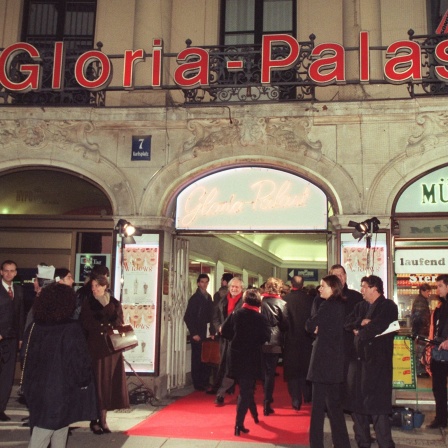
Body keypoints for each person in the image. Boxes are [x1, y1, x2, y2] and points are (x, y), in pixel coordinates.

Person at [22, 283, 97, 448]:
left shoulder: (34, 326)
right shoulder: (70, 329)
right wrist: (84, 381)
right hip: (60, 388)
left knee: (58, 428)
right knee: (44, 431)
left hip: (34, 386)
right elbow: (79, 361)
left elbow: (24, 356)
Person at [345, 275, 398, 448]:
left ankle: (385, 444)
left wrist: (360, 329)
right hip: (358, 363)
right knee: (357, 406)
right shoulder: (360, 306)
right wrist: (361, 322)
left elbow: (378, 326)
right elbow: (347, 323)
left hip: (378, 364)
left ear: (374, 288)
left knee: (378, 408)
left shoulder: (388, 306)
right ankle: (363, 442)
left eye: (364, 287)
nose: (361, 290)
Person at [80, 274, 129, 434]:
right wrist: (102, 322)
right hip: (95, 349)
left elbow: (119, 322)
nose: (94, 289)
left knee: (108, 384)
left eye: (97, 286)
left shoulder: (114, 303)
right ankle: (94, 420)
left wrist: (109, 320)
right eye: (93, 286)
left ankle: (104, 418)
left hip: (111, 349)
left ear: (105, 286)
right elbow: (85, 324)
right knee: (97, 383)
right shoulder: (88, 303)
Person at [305, 275, 350, 448]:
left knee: (317, 409)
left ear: (332, 288)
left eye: (323, 286)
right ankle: (342, 444)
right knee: (334, 408)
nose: (319, 289)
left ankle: (316, 444)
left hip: (323, 363)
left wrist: (314, 326)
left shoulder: (327, 305)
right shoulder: (339, 306)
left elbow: (310, 325)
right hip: (334, 363)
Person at [221, 289, 271, 436]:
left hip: (236, 356)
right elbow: (265, 337)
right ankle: (238, 425)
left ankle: (254, 415)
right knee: (246, 390)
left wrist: (235, 339)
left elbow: (225, 331)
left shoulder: (236, 314)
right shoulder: (260, 318)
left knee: (246, 388)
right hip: (251, 357)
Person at [212, 277, 245, 405]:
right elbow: (215, 318)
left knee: (240, 367)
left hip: (240, 340)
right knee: (226, 366)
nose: (234, 289)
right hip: (225, 339)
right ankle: (221, 393)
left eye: (237, 287)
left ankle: (243, 393)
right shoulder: (222, 301)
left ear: (241, 288)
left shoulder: (245, 302)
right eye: (232, 286)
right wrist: (219, 327)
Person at [282, 275, 313, 410]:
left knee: (293, 370)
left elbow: (282, 322)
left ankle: (295, 399)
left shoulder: (284, 300)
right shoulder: (311, 300)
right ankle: (306, 394)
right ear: (303, 284)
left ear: (291, 284)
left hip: (290, 340)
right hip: (307, 339)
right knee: (306, 368)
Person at [0, 259, 24, 422]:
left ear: (15, 273)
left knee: (7, 376)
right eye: (6, 270)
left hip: (11, 339)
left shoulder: (19, 290)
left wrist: (20, 337)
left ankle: (0, 408)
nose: (9, 273)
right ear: (1, 272)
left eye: (12, 271)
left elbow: (21, 315)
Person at [260, 277, 288, 416]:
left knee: (263, 371)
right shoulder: (282, 303)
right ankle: (267, 402)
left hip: (260, 340)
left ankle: (263, 399)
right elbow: (285, 324)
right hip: (275, 341)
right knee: (270, 372)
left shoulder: (259, 301)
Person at [183, 273, 215, 391]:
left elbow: (211, 316)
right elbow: (188, 317)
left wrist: (212, 331)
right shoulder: (195, 298)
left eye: (206, 282)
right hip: (197, 332)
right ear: (198, 283)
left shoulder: (208, 297)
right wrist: (194, 333)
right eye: (202, 282)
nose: (204, 284)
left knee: (206, 357)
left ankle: (205, 381)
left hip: (206, 332)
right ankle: (198, 383)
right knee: (197, 358)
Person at [426, 274, 448, 428]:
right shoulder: (440, 307)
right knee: (438, 386)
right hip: (438, 350)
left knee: (439, 386)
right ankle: (441, 418)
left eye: (440, 285)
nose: (437, 289)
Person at [410, 283, 431, 377]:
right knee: (420, 351)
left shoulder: (421, 300)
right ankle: (419, 371)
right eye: (427, 291)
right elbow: (419, 318)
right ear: (422, 291)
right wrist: (427, 324)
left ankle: (420, 370)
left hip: (420, 330)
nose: (429, 293)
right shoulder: (420, 302)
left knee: (421, 350)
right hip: (421, 330)